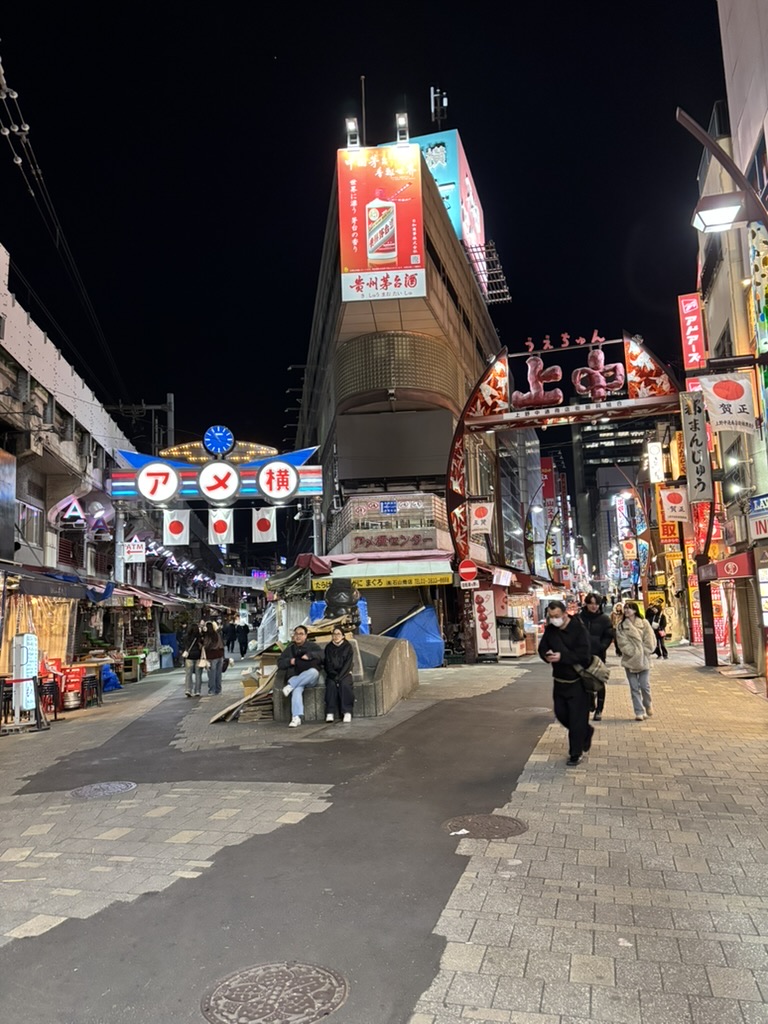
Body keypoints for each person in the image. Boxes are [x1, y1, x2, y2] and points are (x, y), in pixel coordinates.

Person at [538, 600, 593, 767]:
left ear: (564, 614)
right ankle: (586, 731)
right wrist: (546, 655)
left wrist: (563, 657)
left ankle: (575, 753)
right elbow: (542, 648)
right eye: (551, 616)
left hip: (577, 682)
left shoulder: (578, 629)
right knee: (561, 714)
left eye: (556, 616)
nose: (554, 619)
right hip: (559, 680)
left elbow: (585, 655)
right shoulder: (550, 630)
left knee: (576, 719)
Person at [614, 601, 656, 720]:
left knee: (645, 686)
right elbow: (622, 643)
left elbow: (650, 638)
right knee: (634, 687)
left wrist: (646, 650)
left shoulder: (644, 623)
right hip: (630, 660)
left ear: (635, 610)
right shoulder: (621, 625)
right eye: (625, 608)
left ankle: (647, 704)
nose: (627, 610)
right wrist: (633, 652)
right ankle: (638, 711)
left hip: (644, 659)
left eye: (630, 608)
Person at [278, 625, 324, 727]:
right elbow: (280, 663)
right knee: (297, 689)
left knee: (314, 672)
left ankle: (290, 685)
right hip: (295, 676)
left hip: (309, 677)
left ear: (306, 636)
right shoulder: (289, 649)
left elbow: (322, 655)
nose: (298, 636)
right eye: (296, 634)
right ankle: (296, 717)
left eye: (301, 634)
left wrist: (310, 655)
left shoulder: (312, 646)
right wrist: (290, 661)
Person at [579, 593, 613, 722]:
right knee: (584, 681)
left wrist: (601, 646)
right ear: (586, 604)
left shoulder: (604, 619)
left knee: (599, 682)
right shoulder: (579, 618)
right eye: (591, 603)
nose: (593, 606)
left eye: (596, 603)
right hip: (582, 655)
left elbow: (608, 635)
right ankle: (589, 703)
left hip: (598, 656)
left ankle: (599, 710)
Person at [324, 627, 354, 723]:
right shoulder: (328, 647)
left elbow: (348, 664)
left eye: (338, 634)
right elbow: (327, 664)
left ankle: (347, 712)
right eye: (334, 634)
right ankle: (330, 712)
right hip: (332, 674)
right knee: (331, 685)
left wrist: (340, 677)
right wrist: (334, 676)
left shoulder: (348, 647)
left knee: (345, 685)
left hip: (345, 673)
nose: (336, 636)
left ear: (343, 636)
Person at [181, 620, 204, 697]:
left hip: (189, 657)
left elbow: (183, 646)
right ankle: (197, 691)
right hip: (198, 656)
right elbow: (202, 647)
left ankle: (188, 690)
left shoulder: (185, 637)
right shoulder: (199, 637)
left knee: (188, 674)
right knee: (198, 674)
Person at [202, 621, 225, 695]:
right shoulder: (217, 635)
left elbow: (206, 645)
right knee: (218, 674)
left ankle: (212, 690)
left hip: (211, 656)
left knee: (212, 674)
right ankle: (218, 689)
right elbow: (222, 644)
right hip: (220, 655)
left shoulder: (208, 636)